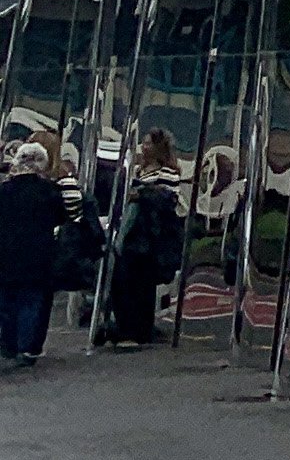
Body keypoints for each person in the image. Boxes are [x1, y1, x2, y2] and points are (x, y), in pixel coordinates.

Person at [0, 138, 98, 368]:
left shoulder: (4, 191)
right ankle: (28, 347)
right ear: (42, 164)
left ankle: (9, 344)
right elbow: (67, 216)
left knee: (7, 299)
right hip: (39, 253)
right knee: (32, 300)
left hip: (6, 253)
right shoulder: (51, 192)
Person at [102, 128, 184, 347]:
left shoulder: (167, 172)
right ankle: (125, 324)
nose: (143, 147)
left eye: (148, 143)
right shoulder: (139, 170)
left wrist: (142, 194)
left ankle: (136, 329)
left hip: (148, 235)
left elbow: (168, 199)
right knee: (125, 280)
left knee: (139, 283)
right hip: (132, 231)